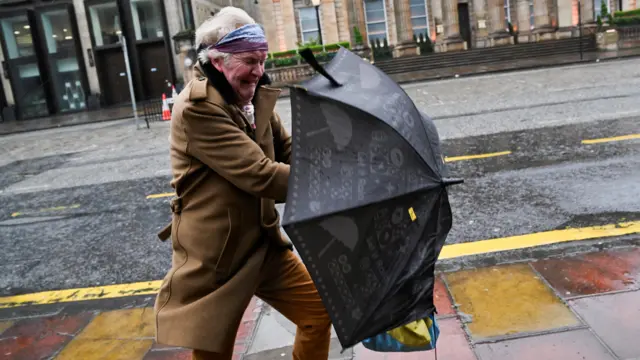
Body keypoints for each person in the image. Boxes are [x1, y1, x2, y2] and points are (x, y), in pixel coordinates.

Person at [153, 7, 332, 360]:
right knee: (213, 350)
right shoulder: (197, 107)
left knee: (317, 313)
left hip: (262, 244)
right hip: (217, 255)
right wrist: (331, 185)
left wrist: (331, 165)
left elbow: (289, 149)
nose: (259, 71)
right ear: (219, 61)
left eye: (262, 60)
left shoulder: (253, 96)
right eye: (250, 60)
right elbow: (261, 174)